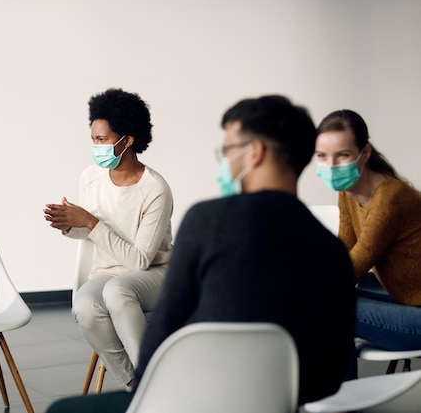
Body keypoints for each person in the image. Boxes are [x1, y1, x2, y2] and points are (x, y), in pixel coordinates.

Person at [45, 95, 356, 413]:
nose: (225, 161)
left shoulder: (207, 222)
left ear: (256, 153)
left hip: (194, 400)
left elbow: (166, 328)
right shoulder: (333, 252)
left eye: (228, 151)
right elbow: (331, 376)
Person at [43, 88, 173, 389]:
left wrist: (89, 221)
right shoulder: (91, 177)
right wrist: (68, 223)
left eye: (102, 140)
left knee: (117, 292)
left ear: (127, 140)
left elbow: (140, 260)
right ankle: (135, 384)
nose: (95, 147)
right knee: (85, 304)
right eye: (93, 139)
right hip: (107, 272)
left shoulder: (155, 189)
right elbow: (90, 233)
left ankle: (155, 381)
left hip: (154, 273)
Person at [315, 109, 421, 378]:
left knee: (331, 302)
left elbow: (354, 265)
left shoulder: (390, 198)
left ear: (365, 153)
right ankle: (341, 399)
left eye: (343, 155)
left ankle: (344, 402)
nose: (331, 165)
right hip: (402, 299)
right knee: (330, 297)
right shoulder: (348, 191)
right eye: (322, 156)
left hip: (416, 312)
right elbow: (343, 252)